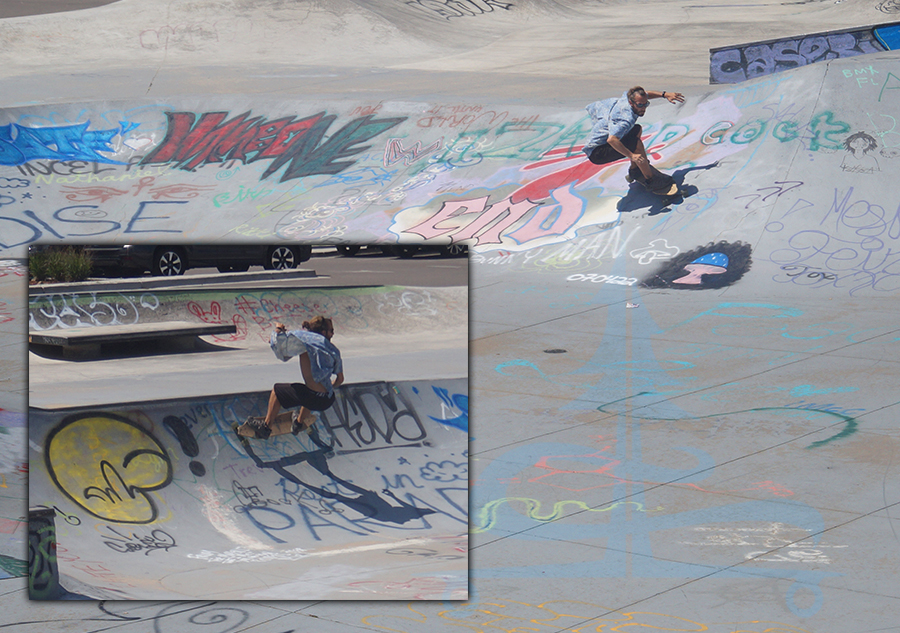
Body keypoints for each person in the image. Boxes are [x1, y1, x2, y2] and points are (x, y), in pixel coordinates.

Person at [243, 316, 344, 439]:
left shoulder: (304, 339)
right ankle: (298, 423)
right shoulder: (334, 350)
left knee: (277, 390)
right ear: (324, 332)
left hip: (313, 397)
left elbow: (278, 343)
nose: (333, 334)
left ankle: (266, 427)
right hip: (327, 399)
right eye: (331, 331)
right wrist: (327, 388)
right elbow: (340, 380)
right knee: (308, 391)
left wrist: (278, 329)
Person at [583, 86, 685, 184]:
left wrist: (665, 94)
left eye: (646, 104)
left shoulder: (627, 98)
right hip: (598, 153)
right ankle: (651, 179)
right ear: (631, 103)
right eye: (640, 105)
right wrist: (632, 156)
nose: (643, 108)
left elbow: (646, 94)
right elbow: (612, 140)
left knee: (636, 129)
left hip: (601, 143)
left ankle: (635, 169)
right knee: (637, 146)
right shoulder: (626, 119)